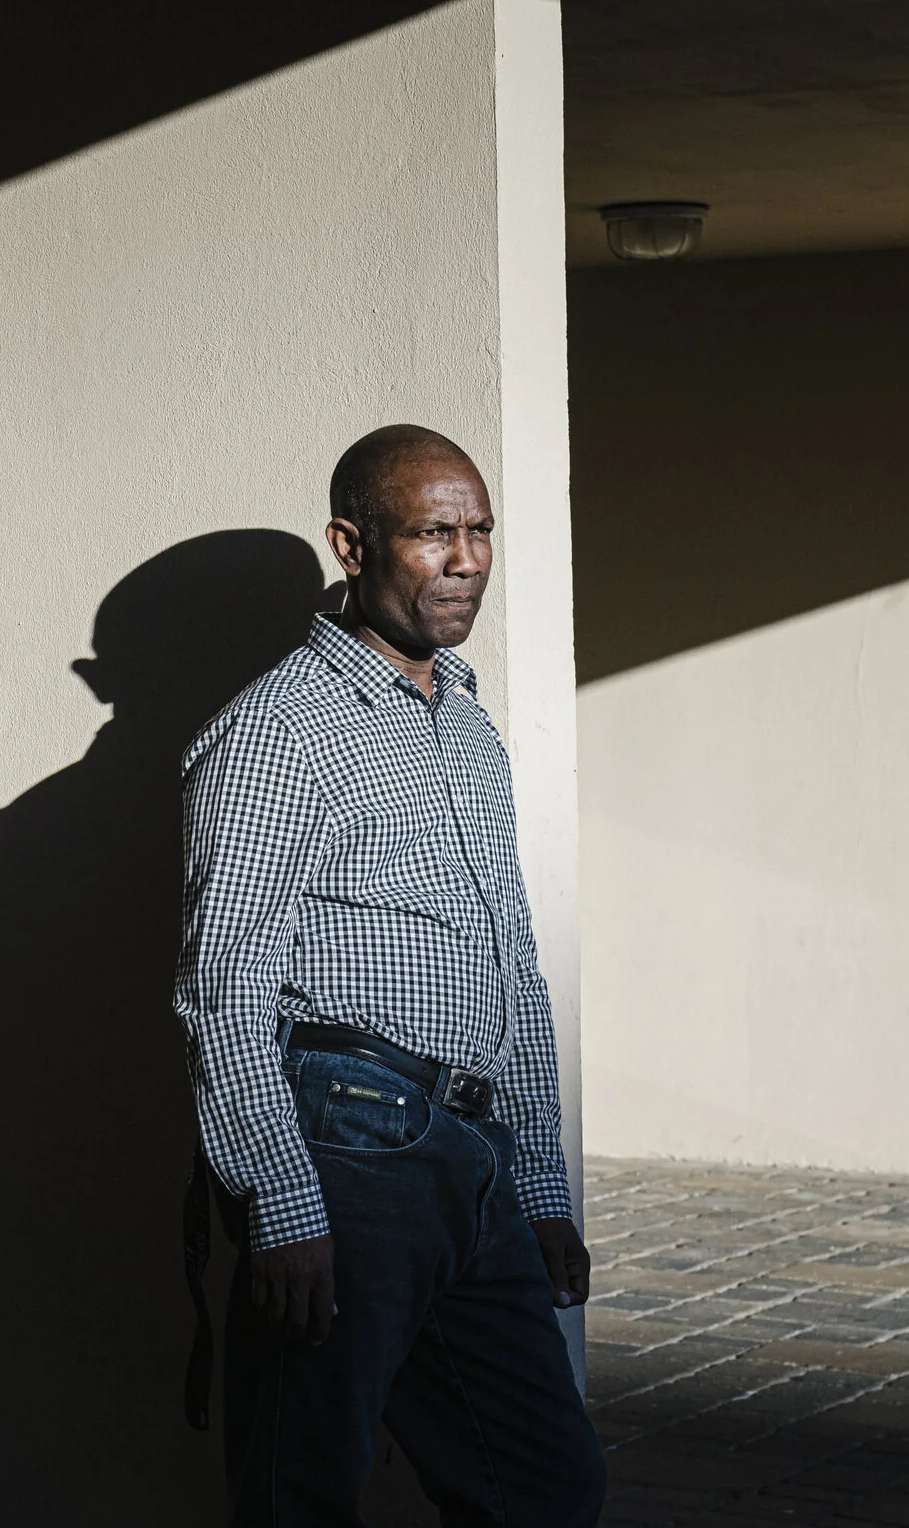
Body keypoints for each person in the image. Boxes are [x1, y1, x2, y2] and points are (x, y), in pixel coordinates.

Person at [175, 425, 607, 1525]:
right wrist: (280, 1200)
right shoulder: (277, 730)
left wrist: (543, 1192)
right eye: (431, 533)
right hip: (346, 1146)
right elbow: (222, 985)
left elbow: (513, 961)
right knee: (301, 1489)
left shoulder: (466, 727)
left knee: (544, 1488)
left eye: (479, 531)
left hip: (473, 1162)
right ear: (352, 545)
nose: (466, 559)